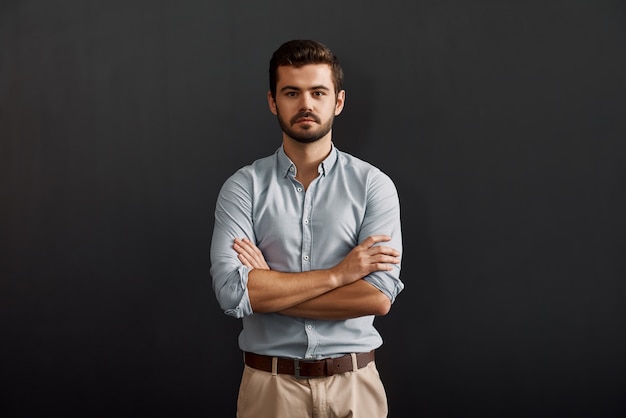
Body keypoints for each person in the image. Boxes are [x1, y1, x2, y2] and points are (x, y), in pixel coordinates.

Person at [210, 39, 403, 418]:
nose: (306, 105)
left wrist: (270, 285)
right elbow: (233, 292)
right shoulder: (243, 187)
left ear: (339, 101)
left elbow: (377, 298)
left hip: (354, 388)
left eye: (318, 92)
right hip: (271, 390)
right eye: (291, 93)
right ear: (272, 101)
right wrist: (338, 275)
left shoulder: (373, 185)